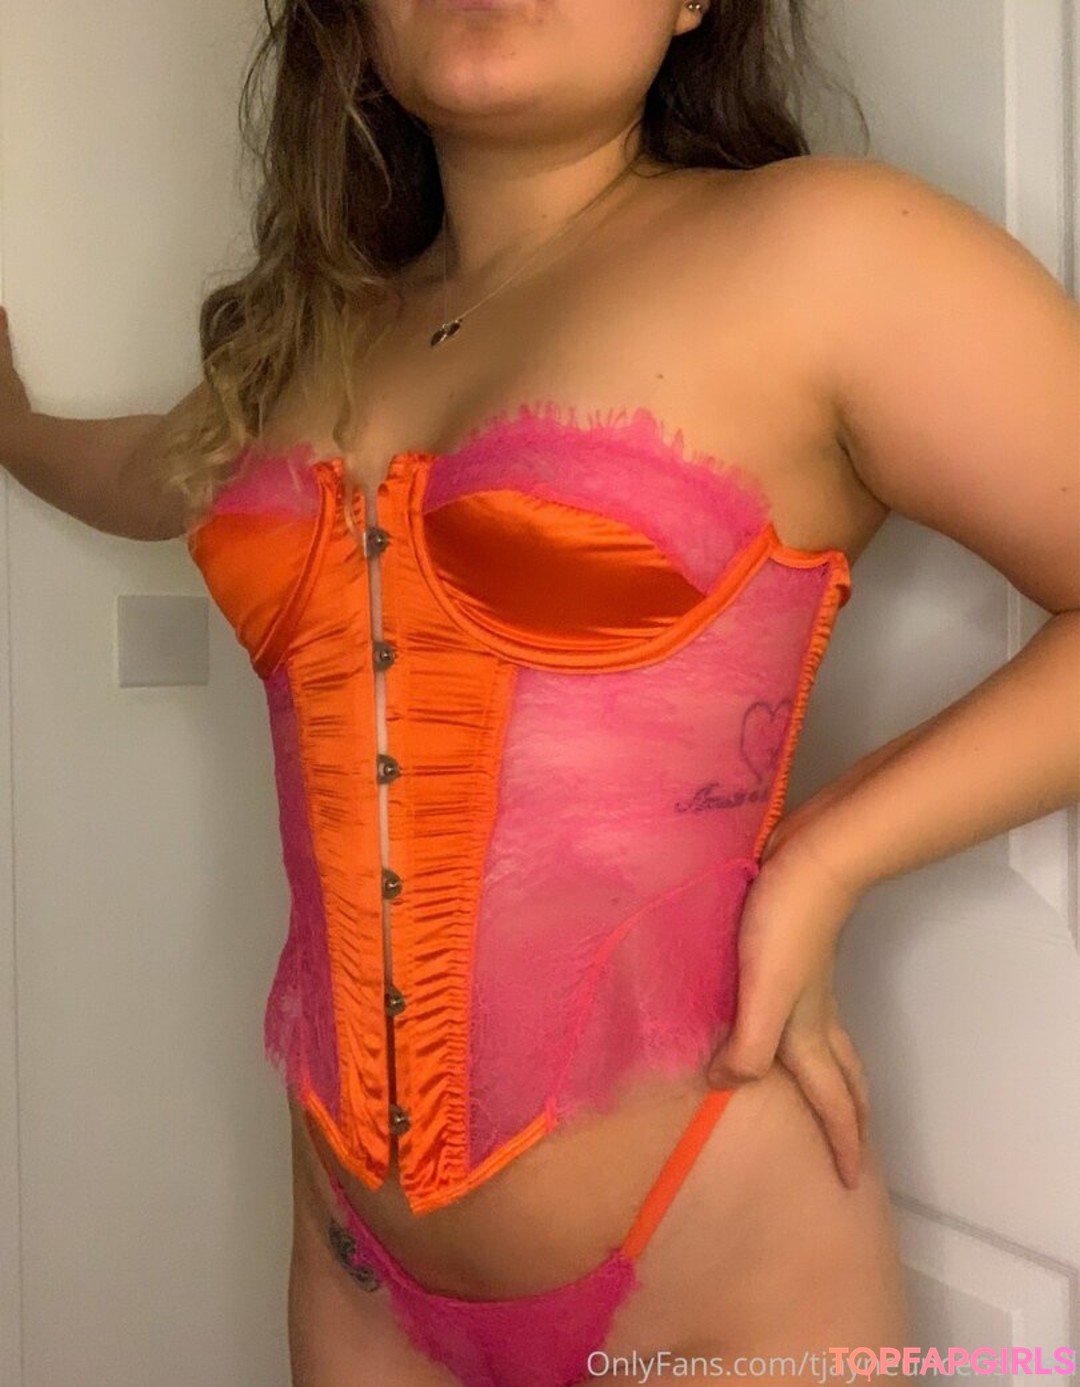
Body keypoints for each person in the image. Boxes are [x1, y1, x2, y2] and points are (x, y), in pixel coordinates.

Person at [1, 2, 1077, 1385]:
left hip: (718, 1270)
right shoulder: (304, 342)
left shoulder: (824, 254)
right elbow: (141, 472)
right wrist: (12, 425)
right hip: (356, 1272)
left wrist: (829, 858)